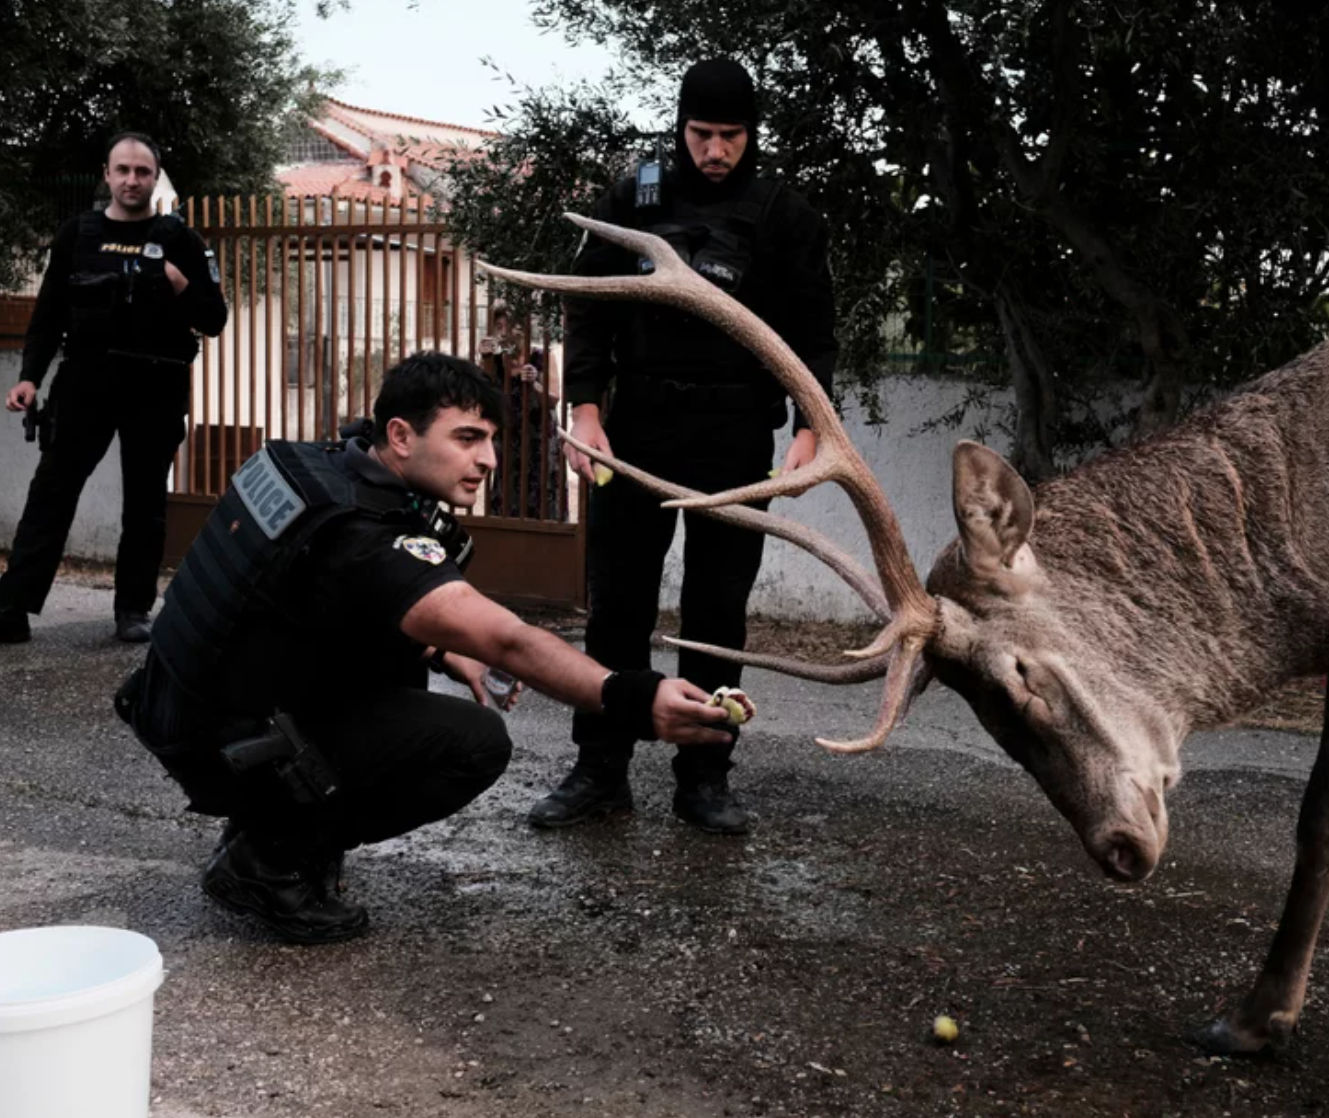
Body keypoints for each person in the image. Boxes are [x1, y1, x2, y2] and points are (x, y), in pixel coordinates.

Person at [115, 352, 732, 944]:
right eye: (467, 439)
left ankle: (267, 823)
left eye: (491, 439)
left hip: (179, 705)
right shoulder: (362, 535)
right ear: (402, 436)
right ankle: (268, 859)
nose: (488, 459)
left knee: (407, 669)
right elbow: (508, 639)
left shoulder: (317, 465)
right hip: (219, 741)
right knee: (473, 744)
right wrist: (633, 698)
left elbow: (313, 612)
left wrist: (440, 652)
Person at [528, 57, 838, 836]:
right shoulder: (635, 196)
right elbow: (589, 308)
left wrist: (811, 430)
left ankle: (705, 774)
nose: (716, 151)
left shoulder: (785, 217)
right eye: (703, 134)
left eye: (731, 136)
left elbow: (812, 338)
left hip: (735, 438)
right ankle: (600, 768)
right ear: (681, 126)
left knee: (715, 614)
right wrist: (587, 410)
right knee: (617, 609)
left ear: (750, 134)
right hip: (634, 432)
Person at [1, 131, 228, 644]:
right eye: (122, 170)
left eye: (141, 171)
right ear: (106, 174)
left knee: (146, 502)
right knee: (51, 494)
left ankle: (132, 610)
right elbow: (49, 313)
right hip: (86, 380)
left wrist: (179, 283)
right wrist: (30, 377)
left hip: (158, 382)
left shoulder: (182, 241)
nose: (131, 179)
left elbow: (215, 318)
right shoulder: (76, 234)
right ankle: (12, 607)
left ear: (154, 177)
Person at [479, 303, 561, 519]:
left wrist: (534, 383)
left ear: (522, 328)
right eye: (499, 326)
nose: (503, 331)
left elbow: (553, 399)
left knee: (543, 498)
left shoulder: (543, 357)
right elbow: (482, 395)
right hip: (508, 442)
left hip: (540, 441)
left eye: (509, 325)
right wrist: (485, 359)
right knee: (507, 499)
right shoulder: (495, 361)